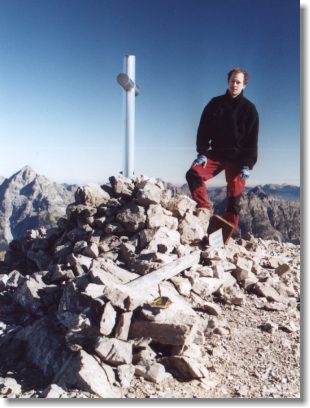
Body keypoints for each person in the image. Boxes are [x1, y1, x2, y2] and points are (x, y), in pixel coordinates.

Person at [186, 68, 259, 233]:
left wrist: (248, 164)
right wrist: (202, 152)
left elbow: (252, 139)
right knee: (193, 174)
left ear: (244, 85)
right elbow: (203, 129)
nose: (234, 84)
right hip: (216, 154)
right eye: (232, 81)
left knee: (234, 199)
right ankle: (204, 207)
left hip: (238, 158)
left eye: (238, 82)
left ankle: (226, 233)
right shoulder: (215, 103)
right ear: (228, 82)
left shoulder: (249, 109)